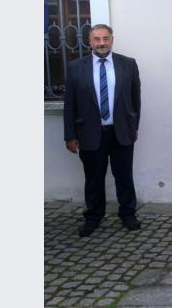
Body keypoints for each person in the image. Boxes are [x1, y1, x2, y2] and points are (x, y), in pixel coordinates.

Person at [63, 24, 142, 237]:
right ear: (90, 41)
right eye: (97, 39)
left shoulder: (128, 64)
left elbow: (136, 99)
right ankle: (93, 217)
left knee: (124, 175)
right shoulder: (75, 67)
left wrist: (133, 126)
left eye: (105, 38)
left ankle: (127, 214)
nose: (101, 43)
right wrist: (70, 135)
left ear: (112, 40)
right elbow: (69, 103)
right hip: (89, 132)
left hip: (121, 131)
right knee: (93, 178)